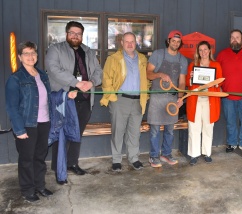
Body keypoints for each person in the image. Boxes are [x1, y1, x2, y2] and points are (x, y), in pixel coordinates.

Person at [5, 41, 76, 202]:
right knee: (26, 159)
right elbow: (11, 107)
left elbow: (49, 97)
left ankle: (40, 186)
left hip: (44, 123)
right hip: (27, 125)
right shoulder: (16, 79)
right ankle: (27, 190)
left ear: (37, 55)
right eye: (26, 53)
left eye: (33, 53)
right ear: (20, 57)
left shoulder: (42, 75)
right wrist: (19, 130)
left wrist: (66, 95)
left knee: (39, 157)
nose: (31, 57)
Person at [45, 21, 103, 181]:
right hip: (64, 99)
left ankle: (72, 163)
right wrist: (76, 83)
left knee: (76, 134)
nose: (75, 36)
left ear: (82, 35)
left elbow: (99, 72)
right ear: (66, 34)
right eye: (72, 33)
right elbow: (53, 69)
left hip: (84, 100)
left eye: (78, 33)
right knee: (61, 133)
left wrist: (91, 83)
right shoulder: (55, 49)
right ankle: (59, 168)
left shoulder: (89, 52)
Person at [100, 32, 148, 171]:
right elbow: (106, 79)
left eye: (132, 41)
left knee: (134, 132)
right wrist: (113, 97)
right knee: (118, 131)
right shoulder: (113, 59)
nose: (129, 44)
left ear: (136, 42)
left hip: (138, 101)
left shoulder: (142, 59)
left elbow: (146, 80)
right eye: (126, 41)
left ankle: (134, 158)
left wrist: (145, 96)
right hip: (120, 100)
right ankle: (116, 160)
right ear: (122, 43)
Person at [146, 30, 188, 168]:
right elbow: (148, 74)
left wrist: (180, 98)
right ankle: (153, 156)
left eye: (178, 41)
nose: (175, 43)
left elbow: (182, 82)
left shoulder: (182, 59)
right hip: (157, 97)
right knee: (155, 130)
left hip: (172, 98)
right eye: (173, 40)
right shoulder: (158, 54)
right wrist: (160, 74)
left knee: (170, 129)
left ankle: (166, 154)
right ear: (168, 40)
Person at [186, 41, 223, 165]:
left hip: (210, 101)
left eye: (205, 49)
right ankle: (194, 154)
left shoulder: (216, 65)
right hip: (195, 101)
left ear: (209, 50)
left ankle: (207, 153)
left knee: (208, 127)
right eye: (200, 50)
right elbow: (188, 83)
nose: (203, 52)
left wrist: (215, 82)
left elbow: (220, 82)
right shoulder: (192, 65)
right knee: (194, 128)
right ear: (198, 52)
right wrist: (191, 78)